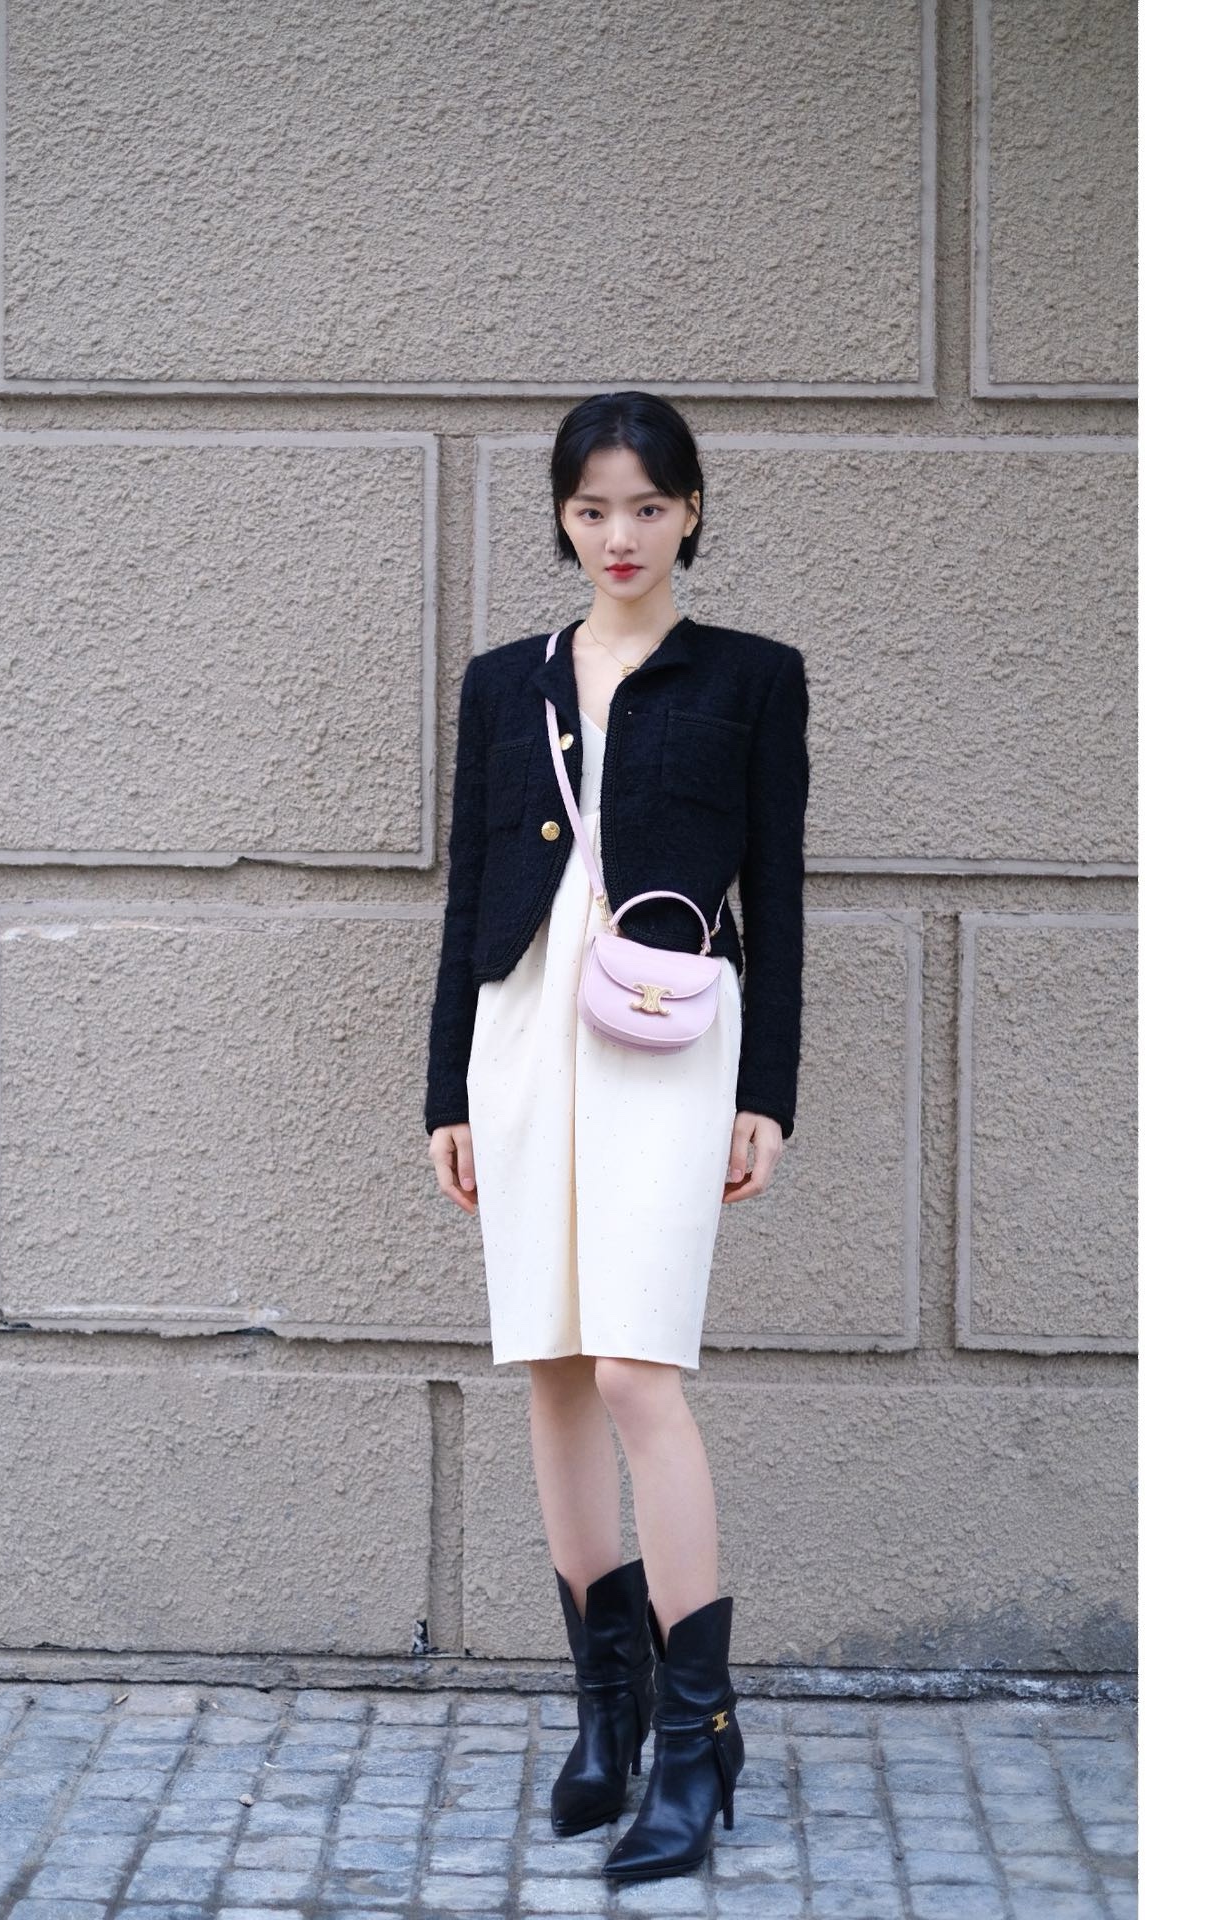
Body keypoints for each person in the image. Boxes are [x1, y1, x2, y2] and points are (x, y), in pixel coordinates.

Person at [424, 389, 810, 1883]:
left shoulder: (752, 678)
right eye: (593, 509)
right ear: (563, 519)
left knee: (641, 1366)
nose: (620, 535)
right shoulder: (501, 684)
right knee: (556, 1364)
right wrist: (447, 1093)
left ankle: (698, 1736)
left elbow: (777, 895)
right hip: (522, 1030)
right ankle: (611, 1714)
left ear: (691, 510)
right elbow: (467, 899)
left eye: (647, 506)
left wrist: (767, 1090)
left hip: (669, 1037)